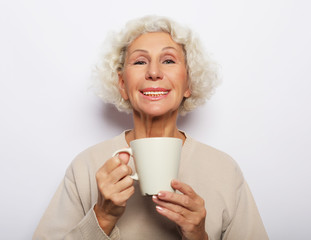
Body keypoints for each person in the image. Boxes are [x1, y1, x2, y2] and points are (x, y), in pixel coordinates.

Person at [33, 15, 269, 240]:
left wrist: (199, 236)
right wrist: (103, 217)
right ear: (123, 85)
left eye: (168, 60)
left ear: (189, 83)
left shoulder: (224, 170)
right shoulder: (86, 166)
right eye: (139, 61)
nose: (154, 73)